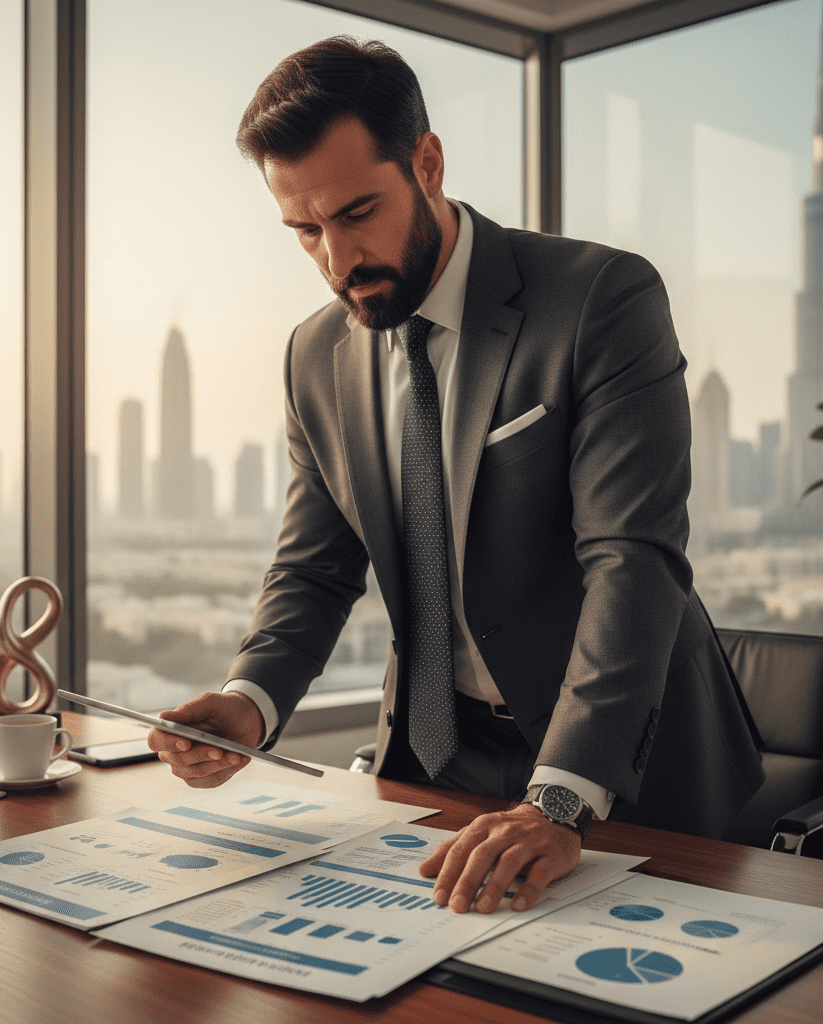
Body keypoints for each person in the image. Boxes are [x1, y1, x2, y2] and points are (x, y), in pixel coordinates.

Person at [148, 36, 764, 916]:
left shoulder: (601, 299)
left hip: (623, 768)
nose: (336, 261)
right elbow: (315, 569)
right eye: (306, 231)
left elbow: (632, 560)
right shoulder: (314, 356)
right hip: (436, 761)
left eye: (358, 212)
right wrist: (250, 701)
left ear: (428, 164)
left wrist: (561, 799)